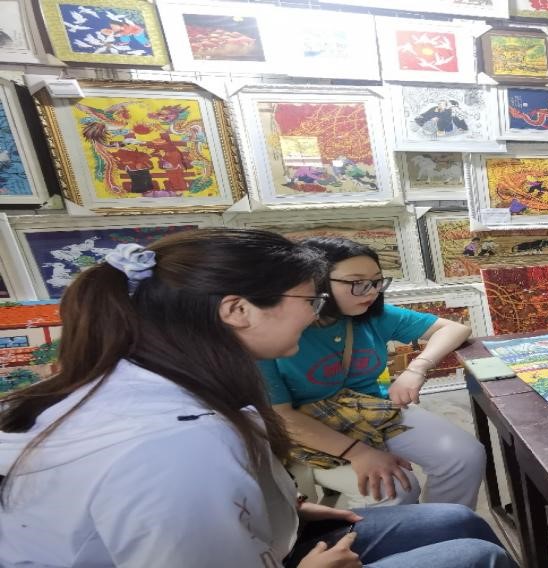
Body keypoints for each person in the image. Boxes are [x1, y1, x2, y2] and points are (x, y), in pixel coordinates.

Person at [0, 229, 512, 568]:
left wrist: (287, 510)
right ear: (237, 310)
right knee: (474, 555)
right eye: (309, 299)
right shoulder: (175, 448)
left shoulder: (160, 380)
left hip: (271, 537)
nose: (315, 313)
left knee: (458, 519)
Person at [260, 237, 485, 510]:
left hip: (371, 408)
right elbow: (280, 416)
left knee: (464, 455)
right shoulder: (273, 334)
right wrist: (358, 453)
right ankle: (405, 535)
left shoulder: (371, 314)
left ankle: (447, 526)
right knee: (396, 489)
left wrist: (416, 368)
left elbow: (454, 328)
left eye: (377, 281)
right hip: (307, 427)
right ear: (313, 283)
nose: (372, 292)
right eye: (357, 282)